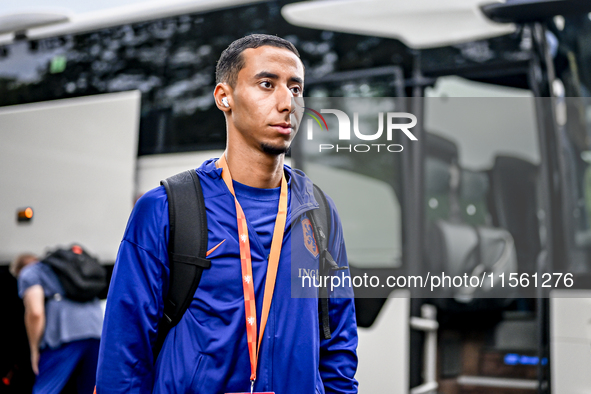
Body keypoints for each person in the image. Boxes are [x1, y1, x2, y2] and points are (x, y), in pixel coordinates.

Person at [96, 34, 358, 394]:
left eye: (296, 89)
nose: (287, 103)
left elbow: (338, 343)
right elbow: (124, 351)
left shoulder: (319, 212)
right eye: (267, 84)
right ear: (225, 97)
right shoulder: (166, 208)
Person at [11, 252, 103, 394]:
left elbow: (35, 312)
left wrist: (34, 350)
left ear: (19, 270)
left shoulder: (29, 272)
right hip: (96, 327)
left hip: (65, 331)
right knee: (92, 389)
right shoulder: (60, 268)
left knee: (46, 389)